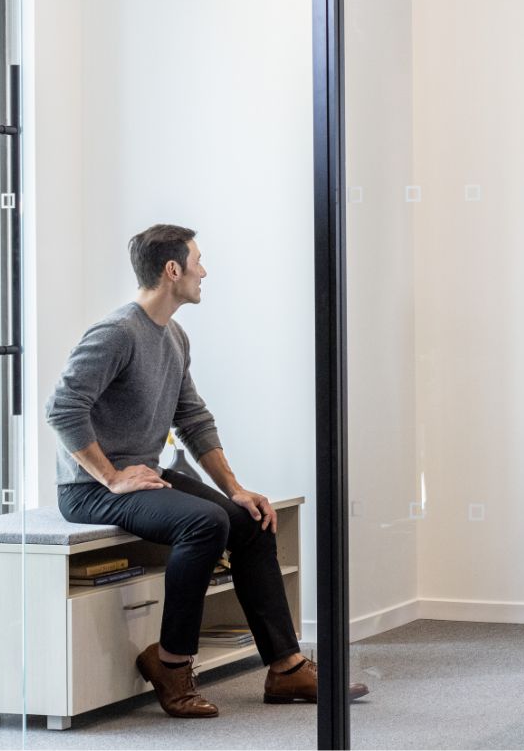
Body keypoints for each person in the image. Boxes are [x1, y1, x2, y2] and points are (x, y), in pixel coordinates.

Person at [45, 224, 367, 718]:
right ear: (172, 270)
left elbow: (192, 418)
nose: (204, 270)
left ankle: (286, 668)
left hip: (142, 475)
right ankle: (171, 662)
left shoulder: (174, 335)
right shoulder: (117, 332)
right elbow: (63, 406)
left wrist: (236, 488)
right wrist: (110, 476)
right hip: (89, 488)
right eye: (198, 260)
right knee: (204, 523)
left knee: (251, 521)